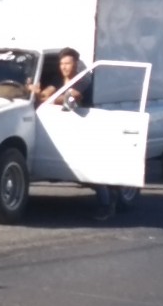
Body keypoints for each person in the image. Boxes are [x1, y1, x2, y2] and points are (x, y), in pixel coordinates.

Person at [28, 47, 118, 222]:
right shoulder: (57, 80)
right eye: (61, 63)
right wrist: (37, 91)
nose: (64, 67)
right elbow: (46, 93)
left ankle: (107, 204)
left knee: (91, 169)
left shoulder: (82, 80)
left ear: (76, 64)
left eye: (68, 63)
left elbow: (71, 98)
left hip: (85, 128)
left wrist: (44, 98)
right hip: (63, 128)